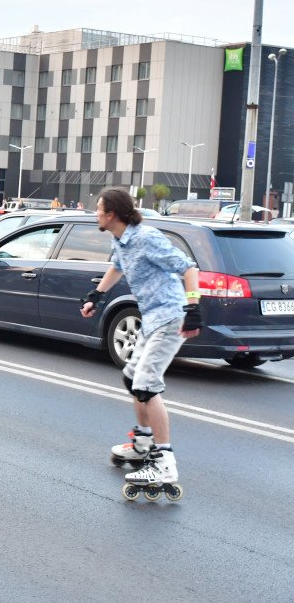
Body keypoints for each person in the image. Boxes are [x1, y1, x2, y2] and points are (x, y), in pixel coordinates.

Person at [80, 187, 201, 500]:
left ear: (111, 214)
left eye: (99, 209)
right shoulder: (120, 239)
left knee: (147, 385)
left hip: (171, 317)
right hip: (151, 319)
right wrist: (97, 295)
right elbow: (118, 266)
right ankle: (143, 443)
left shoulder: (147, 237)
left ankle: (164, 462)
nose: (95, 213)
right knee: (132, 377)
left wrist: (194, 307)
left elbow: (187, 266)